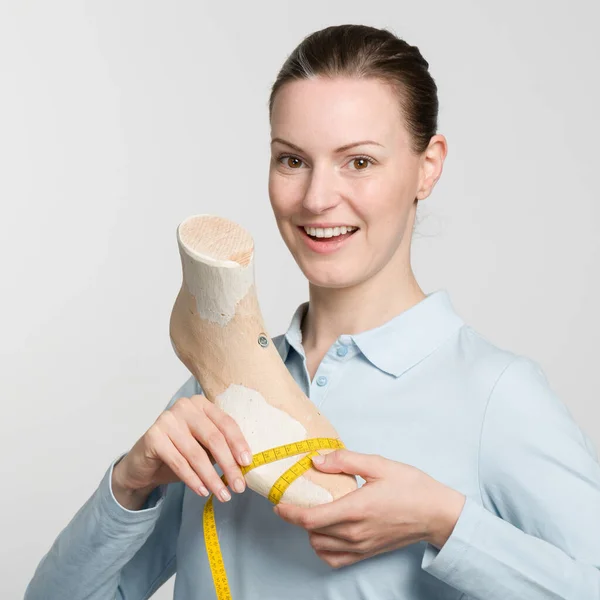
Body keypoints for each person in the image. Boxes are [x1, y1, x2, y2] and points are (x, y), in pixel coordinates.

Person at [25, 23, 600, 600]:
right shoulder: (220, 395)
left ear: (428, 165)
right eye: (293, 160)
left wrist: (445, 523)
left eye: (359, 162)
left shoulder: (494, 394)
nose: (317, 198)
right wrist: (132, 480)